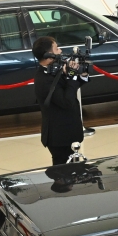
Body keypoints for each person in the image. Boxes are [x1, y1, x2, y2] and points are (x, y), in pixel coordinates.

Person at [33, 36, 88, 165]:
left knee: (72, 170)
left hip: (68, 132)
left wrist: (81, 75)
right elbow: (66, 101)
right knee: (62, 172)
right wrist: (71, 78)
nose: (60, 51)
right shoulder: (44, 80)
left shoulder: (53, 70)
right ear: (48, 55)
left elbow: (69, 88)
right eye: (57, 49)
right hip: (59, 136)